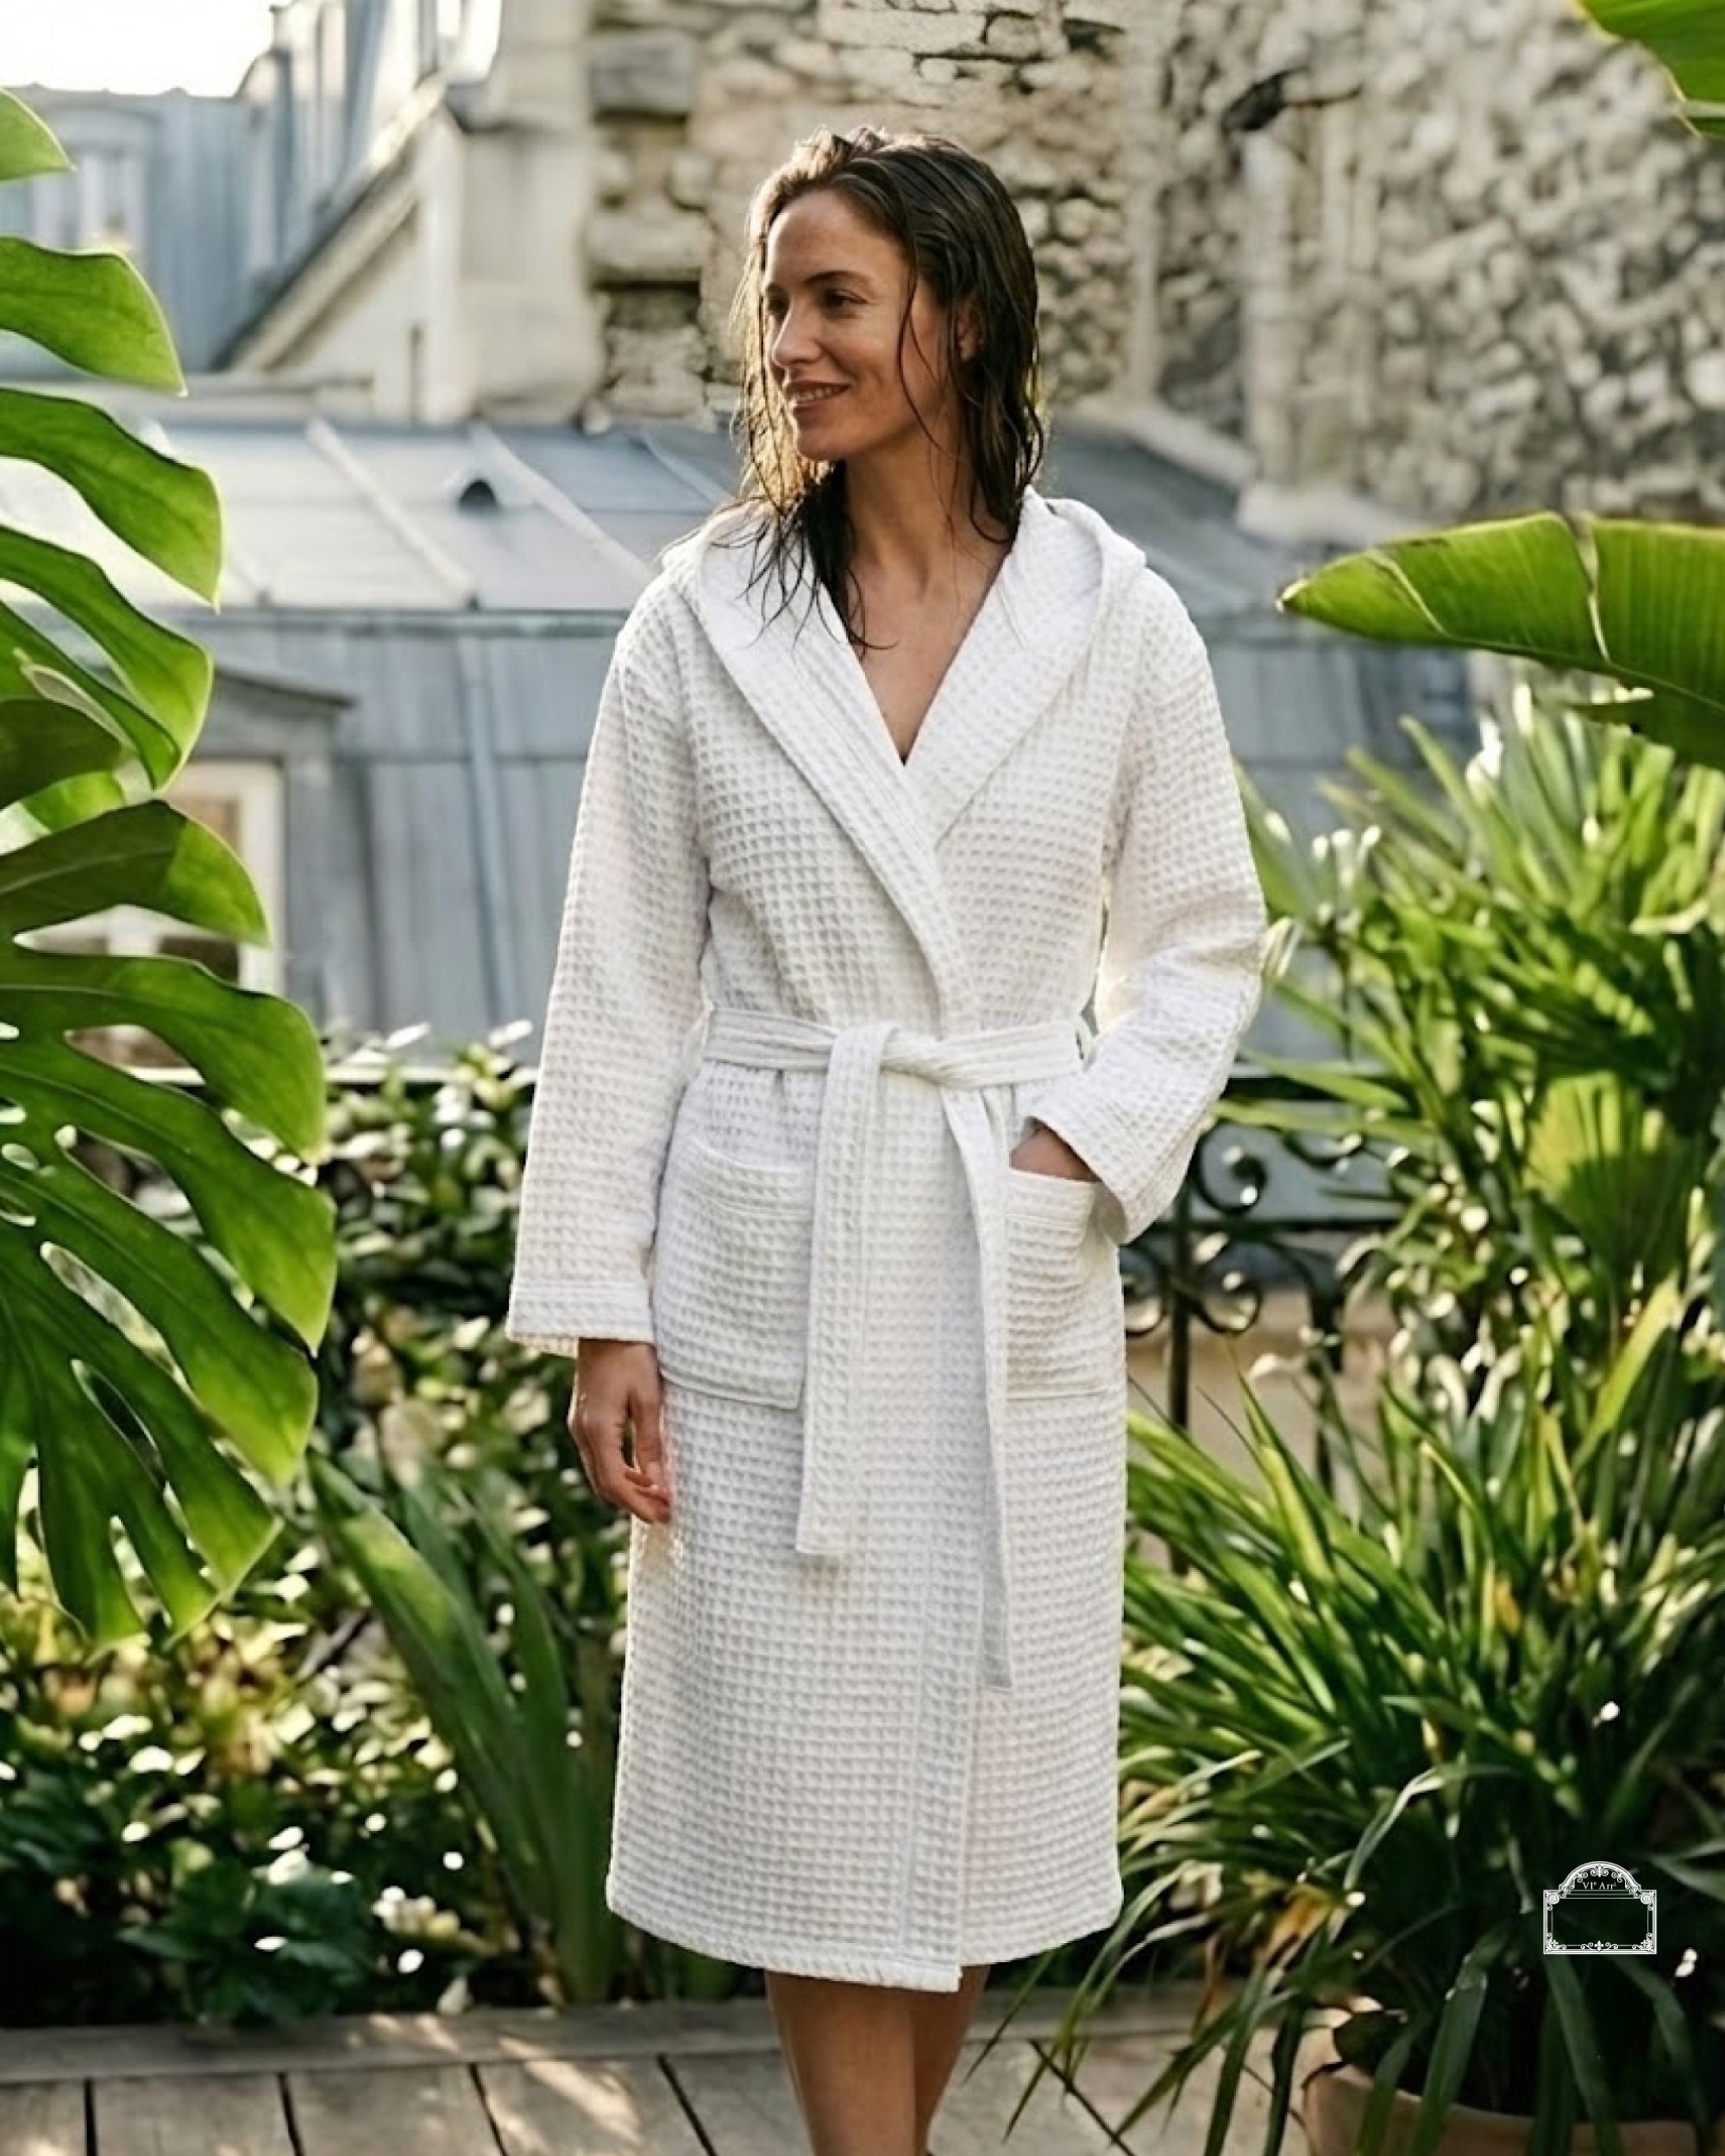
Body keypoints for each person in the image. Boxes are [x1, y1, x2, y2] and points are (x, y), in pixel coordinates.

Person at [505, 123, 1269, 2156]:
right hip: (773, 1257)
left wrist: (1064, 1159)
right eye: (777, 303)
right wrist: (601, 1312)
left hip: (994, 1257)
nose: (789, 344)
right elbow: (619, 978)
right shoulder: (703, 624)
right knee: (811, 1787)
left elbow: (1199, 947)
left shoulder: (1118, 626)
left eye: (832, 297)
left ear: (961, 313)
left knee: (950, 1795)